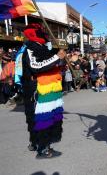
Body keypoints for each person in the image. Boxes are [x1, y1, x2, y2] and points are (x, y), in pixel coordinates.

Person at [16, 23, 65, 158]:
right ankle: (42, 148)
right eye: (41, 31)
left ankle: (35, 143)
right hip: (36, 90)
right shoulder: (30, 48)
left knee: (43, 117)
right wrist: (56, 58)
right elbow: (36, 66)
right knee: (41, 118)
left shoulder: (41, 47)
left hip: (45, 89)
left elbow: (48, 63)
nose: (44, 33)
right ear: (34, 33)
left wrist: (57, 58)